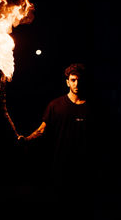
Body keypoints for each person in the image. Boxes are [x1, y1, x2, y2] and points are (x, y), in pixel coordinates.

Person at [18, 63, 88, 192]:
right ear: (68, 82)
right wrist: (27, 139)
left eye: (79, 80)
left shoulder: (93, 108)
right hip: (61, 167)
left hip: (85, 169)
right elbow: (41, 130)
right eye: (73, 80)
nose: (76, 84)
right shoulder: (55, 105)